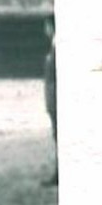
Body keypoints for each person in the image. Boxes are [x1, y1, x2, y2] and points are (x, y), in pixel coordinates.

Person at [43, 19, 58, 186]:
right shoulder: (56, 46)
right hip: (53, 96)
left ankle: (58, 173)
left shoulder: (57, 47)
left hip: (55, 97)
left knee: (59, 136)